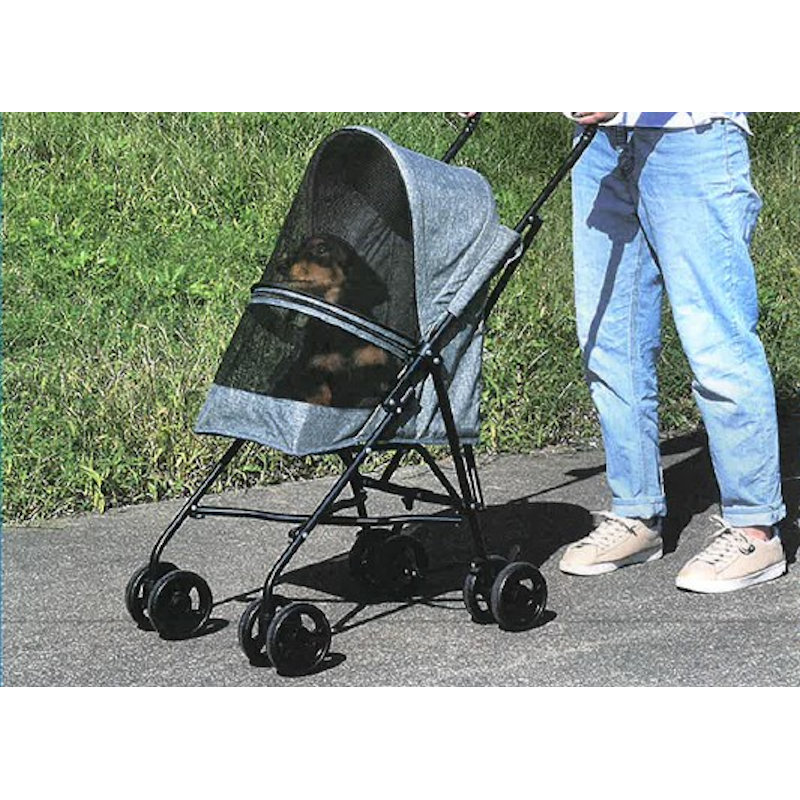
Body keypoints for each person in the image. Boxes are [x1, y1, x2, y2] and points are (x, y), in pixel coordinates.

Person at [558, 112, 787, 593]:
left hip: (690, 134)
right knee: (609, 343)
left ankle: (756, 529)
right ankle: (635, 514)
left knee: (716, 341)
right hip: (600, 144)